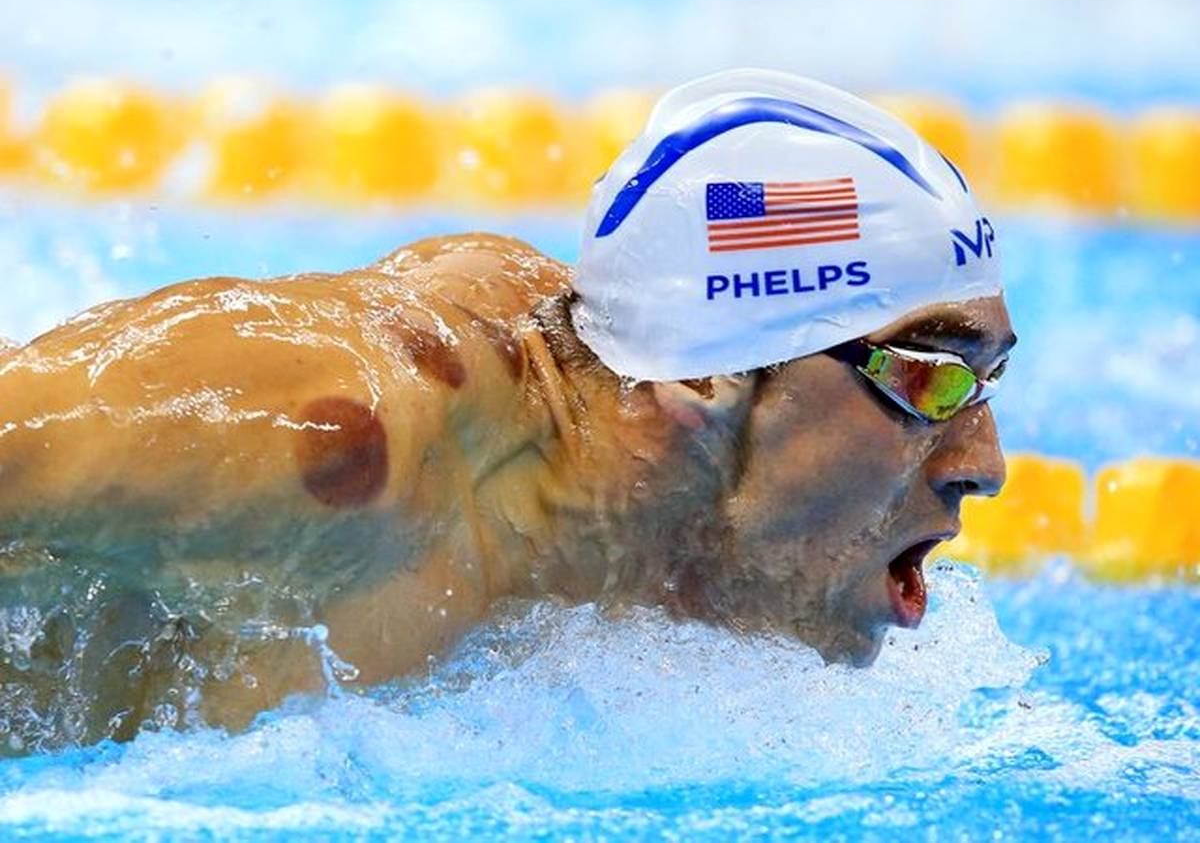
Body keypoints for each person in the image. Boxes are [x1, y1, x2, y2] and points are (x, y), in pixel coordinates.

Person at [0, 69, 1013, 738]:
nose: (985, 463)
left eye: (988, 382)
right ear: (706, 380)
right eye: (930, 379)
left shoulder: (633, 516)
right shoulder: (333, 439)